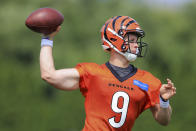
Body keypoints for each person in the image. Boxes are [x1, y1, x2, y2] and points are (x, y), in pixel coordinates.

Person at [40, 16, 176, 131]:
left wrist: (164, 101)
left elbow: (164, 120)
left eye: (137, 41)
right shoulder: (92, 73)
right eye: (132, 40)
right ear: (115, 39)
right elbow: (48, 75)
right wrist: (47, 38)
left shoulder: (148, 80)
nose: (137, 45)